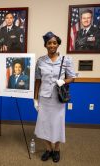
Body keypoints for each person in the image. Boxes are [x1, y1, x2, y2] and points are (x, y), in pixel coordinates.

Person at [34, 32, 76, 162]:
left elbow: (72, 78)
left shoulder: (66, 60)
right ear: (45, 45)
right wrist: (35, 98)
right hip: (44, 97)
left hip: (58, 98)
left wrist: (64, 81)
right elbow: (38, 80)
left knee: (57, 123)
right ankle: (48, 149)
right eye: (49, 43)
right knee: (44, 123)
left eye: (54, 43)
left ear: (58, 44)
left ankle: (57, 149)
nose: (52, 45)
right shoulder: (40, 61)